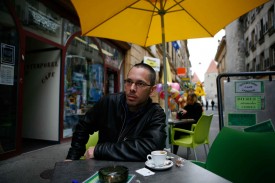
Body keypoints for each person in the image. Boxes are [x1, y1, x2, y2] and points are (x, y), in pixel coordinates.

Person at [66, 63, 167, 161]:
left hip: (136, 171)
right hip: (101, 167)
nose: (132, 88)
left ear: (152, 90)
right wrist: (72, 158)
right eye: (129, 81)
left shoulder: (155, 113)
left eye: (140, 84)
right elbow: (83, 126)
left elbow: (152, 147)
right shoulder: (109, 102)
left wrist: (100, 150)